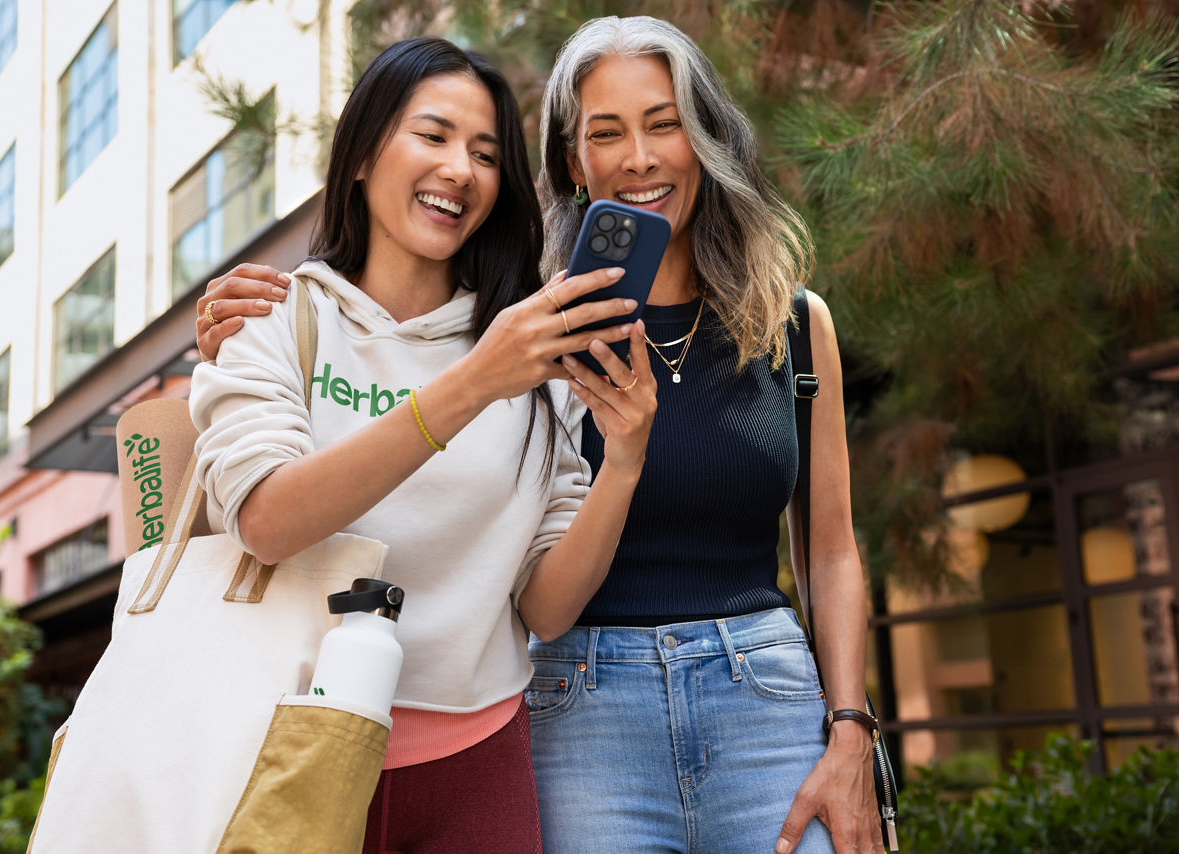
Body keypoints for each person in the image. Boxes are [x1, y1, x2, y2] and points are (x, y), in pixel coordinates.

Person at [198, 18, 882, 854]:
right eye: (606, 132)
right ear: (571, 162)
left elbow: (833, 551)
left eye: (665, 123)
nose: (640, 156)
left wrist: (851, 727)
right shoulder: (530, 335)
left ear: (706, 139)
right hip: (574, 699)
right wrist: (254, 340)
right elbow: (328, 467)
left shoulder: (795, 327)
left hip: (763, 694)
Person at [189, 37, 656, 854]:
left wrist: (624, 461)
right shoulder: (273, 318)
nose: (461, 170)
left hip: (477, 763)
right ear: (366, 152)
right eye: (433, 136)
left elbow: (546, 606)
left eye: (484, 153)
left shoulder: (531, 357)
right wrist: (474, 382)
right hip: (285, 750)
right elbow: (266, 520)